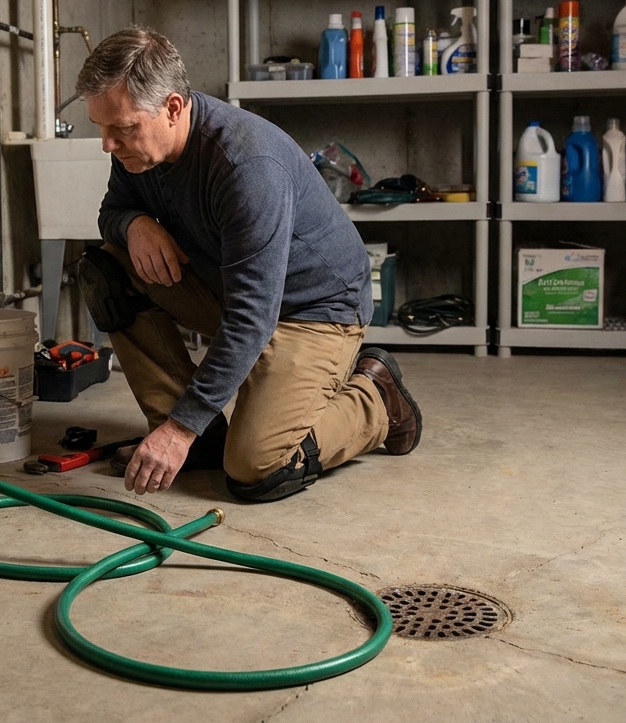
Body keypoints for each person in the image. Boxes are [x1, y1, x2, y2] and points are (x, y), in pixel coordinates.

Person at [74, 26, 421, 503]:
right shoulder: (136, 149)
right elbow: (110, 213)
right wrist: (134, 223)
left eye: (123, 129)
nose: (107, 144)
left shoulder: (246, 166)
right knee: (109, 269)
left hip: (314, 312)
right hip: (233, 290)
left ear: (173, 107)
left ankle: (376, 400)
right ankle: (204, 437)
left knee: (257, 469)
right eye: (101, 127)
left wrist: (179, 429)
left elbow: (252, 316)